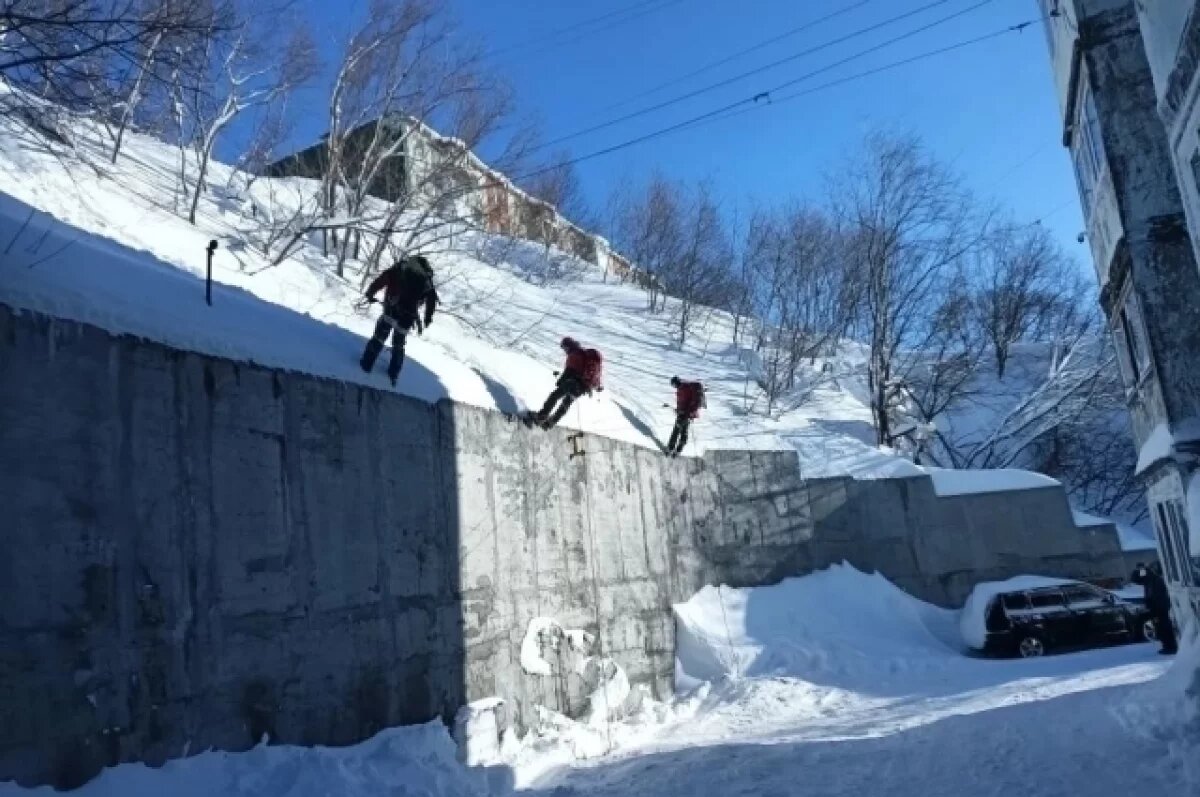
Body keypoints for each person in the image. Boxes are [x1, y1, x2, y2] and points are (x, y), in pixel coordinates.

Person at [359, 255, 438, 385]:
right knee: (399, 345)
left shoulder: (399, 269)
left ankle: (366, 365)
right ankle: (394, 373)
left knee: (379, 338)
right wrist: (427, 318)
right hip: (407, 317)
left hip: (391, 310)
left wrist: (370, 293)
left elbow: (381, 280)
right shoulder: (425, 280)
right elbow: (431, 300)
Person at [534, 337, 603, 429]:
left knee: (554, 396)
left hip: (573, 383)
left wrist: (560, 382)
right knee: (566, 403)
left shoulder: (574, 354)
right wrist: (594, 387)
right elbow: (596, 377)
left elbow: (569, 371)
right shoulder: (584, 354)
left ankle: (541, 416)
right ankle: (550, 423)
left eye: (564, 348)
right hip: (583, 388)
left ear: (569, 346)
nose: (565, 350)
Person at [1131, 561, 1177, 654]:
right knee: (1160, 626)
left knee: (1164, 626)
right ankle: (1167, 646)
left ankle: (1170, 647)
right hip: (1155, 606)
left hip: (1160, 606)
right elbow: (1136, 579)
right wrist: (1141, 569)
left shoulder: (1159, 579)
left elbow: (1160, 594)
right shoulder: (1149, 578)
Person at [667, 376, 705, 457]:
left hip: (685, 414)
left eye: (673, 385)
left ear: (676, 382)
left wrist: (685, 412)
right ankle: (678, 450)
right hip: (686, 414)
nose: (674, 386)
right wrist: (678, 409)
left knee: (677, 430)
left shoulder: (684, 388)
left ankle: (671, 448)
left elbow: (689, 402)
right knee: (683, 431)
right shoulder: (681, 389)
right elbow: (682, 402)